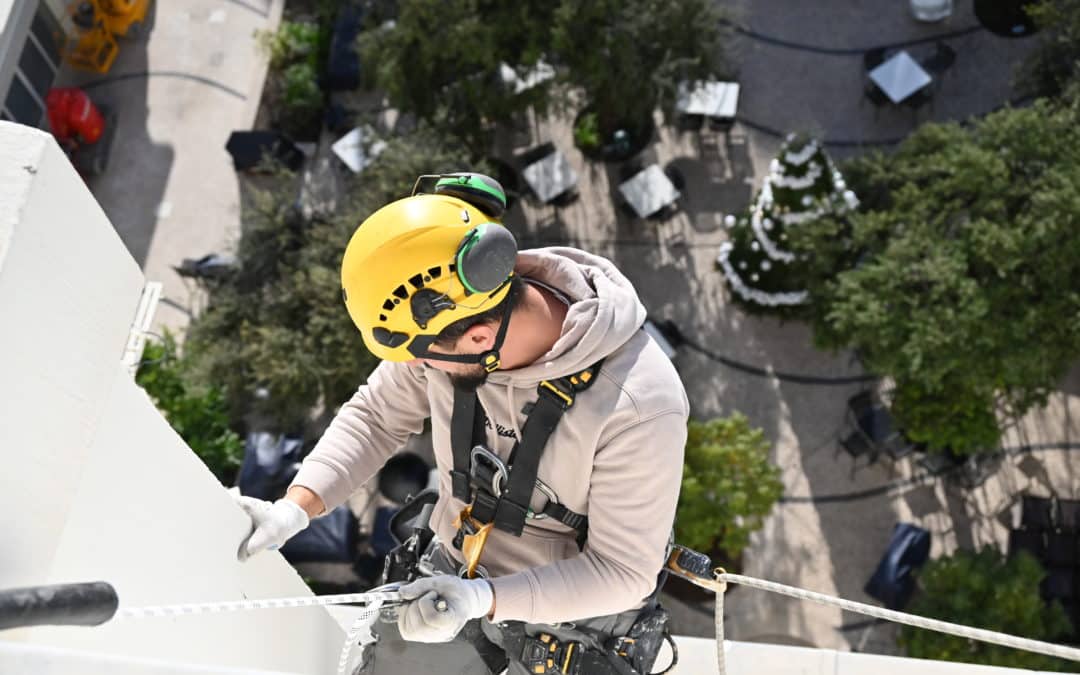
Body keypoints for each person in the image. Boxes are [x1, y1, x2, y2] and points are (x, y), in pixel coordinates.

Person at [234, 173, 688, 674]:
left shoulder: (639, 404)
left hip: (567, 618)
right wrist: (296, 508)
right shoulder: (458, 310)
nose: (415, 368)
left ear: (478, 338)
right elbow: (376, 415)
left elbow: (621, 572)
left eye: (422, 358)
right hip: (453, 572)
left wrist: (482, 598)